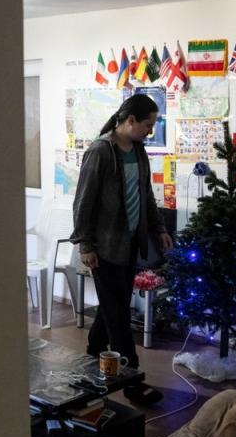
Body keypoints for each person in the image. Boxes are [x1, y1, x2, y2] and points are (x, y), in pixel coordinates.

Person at [70, 93, 173, 406]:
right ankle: (133, 379)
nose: (149, 131)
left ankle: (91, 353)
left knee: (112, 303)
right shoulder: (101, 151)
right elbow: (83, 201)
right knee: (117, 313)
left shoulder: (139, 151)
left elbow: (146, 195)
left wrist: (158, 228)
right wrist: (85, 245)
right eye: (147, 124)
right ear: (130, 121)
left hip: (130, 244)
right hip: (103, 247)